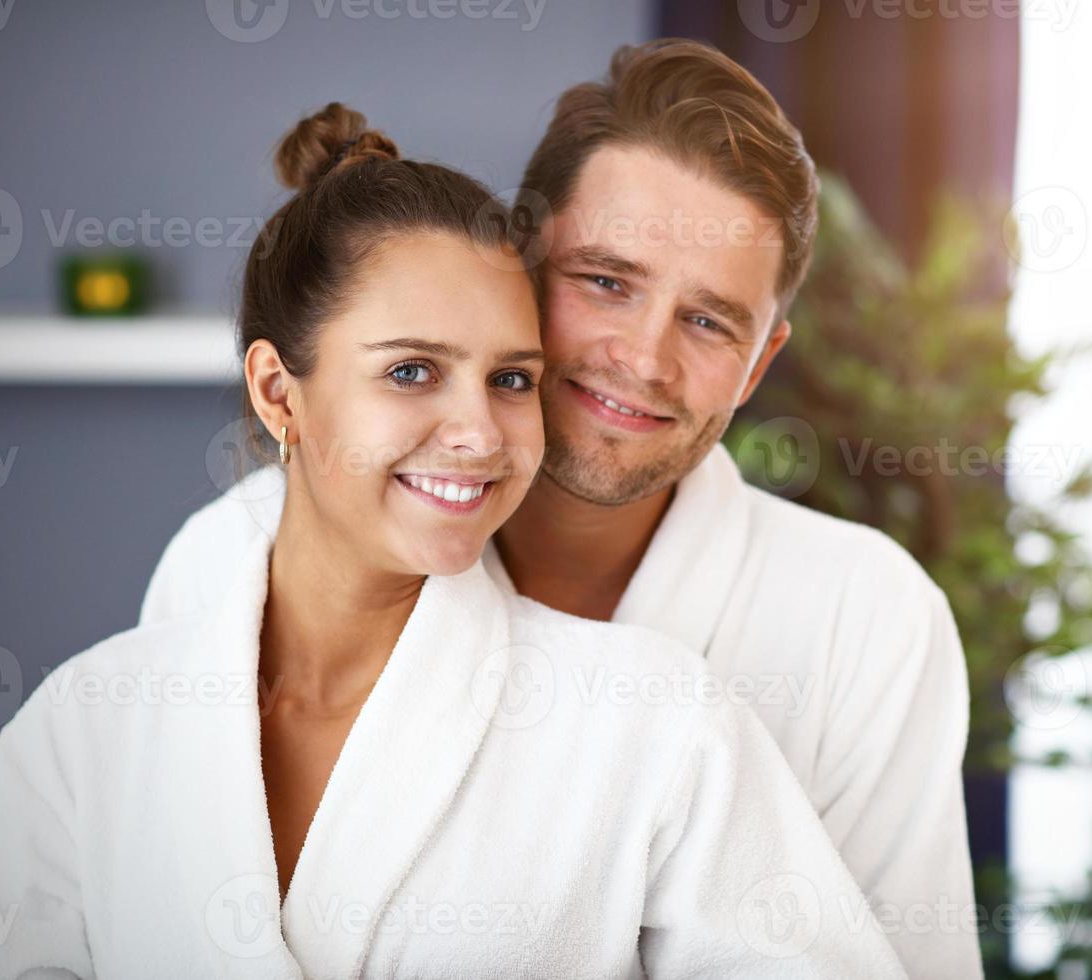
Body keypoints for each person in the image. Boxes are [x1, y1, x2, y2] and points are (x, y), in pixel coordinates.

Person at [0, 104, 907, 979]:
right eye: (413, 372)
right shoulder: (89, 729)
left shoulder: (659, 724)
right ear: (275, 389)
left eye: (512, 378)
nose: (478, 432)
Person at [143, 40, 983, 980]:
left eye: (709, 322)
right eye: (605, 281)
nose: (644, 359)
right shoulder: (236, 562)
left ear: (760, 362)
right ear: (518, 264)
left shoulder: (861, 620)